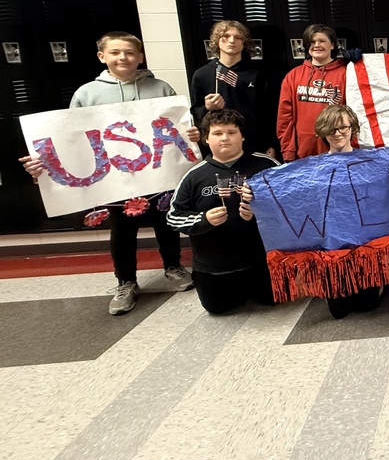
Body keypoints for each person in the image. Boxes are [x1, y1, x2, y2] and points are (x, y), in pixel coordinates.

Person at [19, 31, 194, 315]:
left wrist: (191, 135)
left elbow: (177, 129)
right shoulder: (87, 93)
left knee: (166, 223)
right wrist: (45, 161)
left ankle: (172, 266)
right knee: (122, 230)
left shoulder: (161, 88)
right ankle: (126, 281)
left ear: (140, 56)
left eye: (129, 52)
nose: (123, 57)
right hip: (114, 179)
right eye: (115, 52)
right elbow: (70, 138)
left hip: (158, 172)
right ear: (102, 56)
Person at [167, 109, 279, 314]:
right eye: (217, 133)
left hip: (263, 262)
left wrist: (259, 214)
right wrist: (204, 219)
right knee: (218, 309)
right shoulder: (194, 176)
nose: (225, 138)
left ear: (242, 136)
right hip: (215, 268)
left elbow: (290, 205)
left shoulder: (266, 165)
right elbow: (173, 218)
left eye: (232, 132)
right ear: (206, 139)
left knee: (274, 300)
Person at [313, 104, 389, 319]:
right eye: (331, 129)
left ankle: (380, 280)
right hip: (333, 246)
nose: (338, 133)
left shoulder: (372, 161)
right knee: (338, 312)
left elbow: (388, 191)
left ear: (353, 128)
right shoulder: (313, 167)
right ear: (323, 132)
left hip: (364, 244)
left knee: (367, 305)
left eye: (343, 127)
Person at [190, 20, 279, 157]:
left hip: (255, 145)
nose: (232, 41)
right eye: (225, 36)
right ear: (216, 41)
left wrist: (270, 143)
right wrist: (207, 107)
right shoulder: (202, 75)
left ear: (244, 43)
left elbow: (270, 113)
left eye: (238, 37)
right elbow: (195, 114)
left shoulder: (259, 74)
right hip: (220, 148)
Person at [277, 23, 347, 162]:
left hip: (338, 148)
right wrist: (288, 150)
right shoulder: (293, 75)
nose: (317, 45)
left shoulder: (346, 73)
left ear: (332, 45)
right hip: (304, 150)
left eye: (322, 41)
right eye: (312, 42)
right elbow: (285, 118)